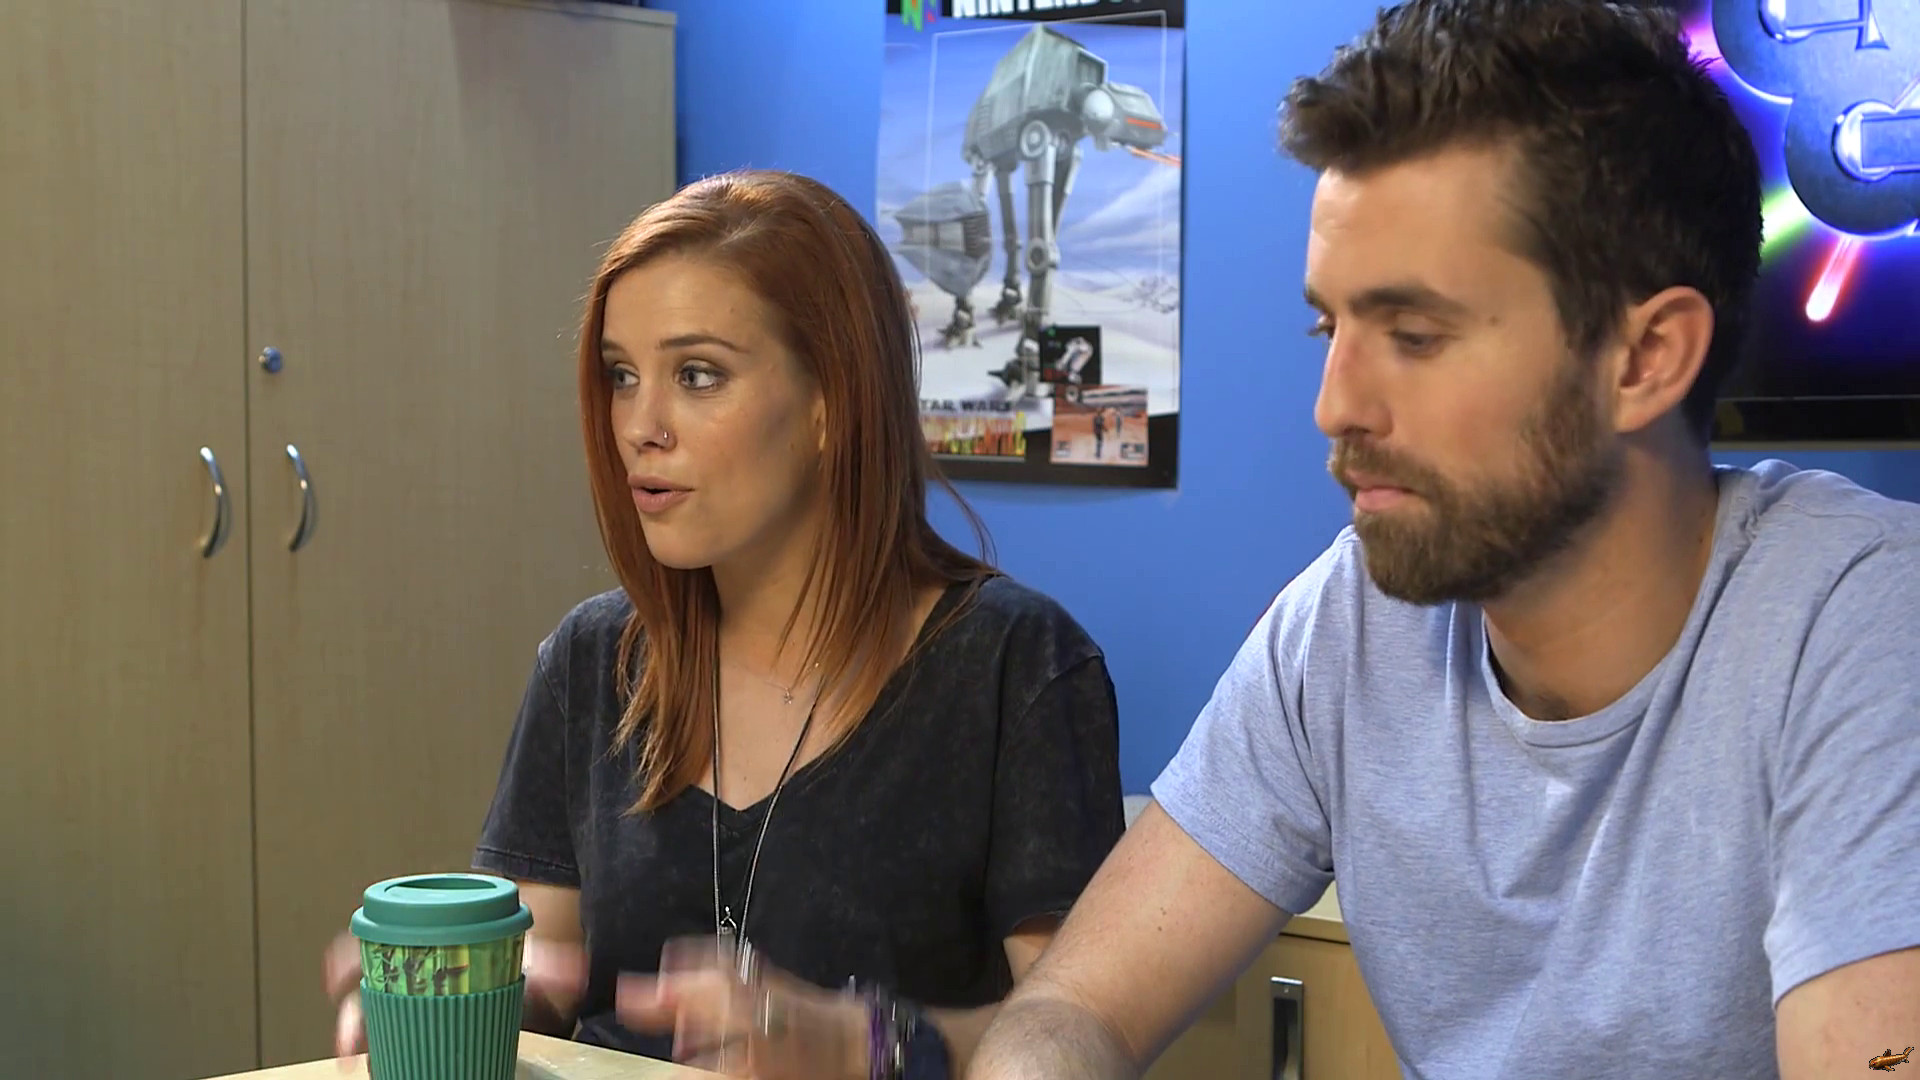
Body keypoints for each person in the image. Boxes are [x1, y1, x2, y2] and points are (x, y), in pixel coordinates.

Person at [966, 2, 1920, 1078]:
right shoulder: (1347, 625)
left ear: (1646, 357)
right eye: (1329, 328)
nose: (1335, 407)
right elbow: (1076, 1006)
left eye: (1415, 336)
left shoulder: (1868, 626)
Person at [323, 169, 1126, 1077]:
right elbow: (545, 977)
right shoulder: (590, 660)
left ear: (832, 404)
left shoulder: (1017, 667)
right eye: (622, 376)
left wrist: (863, 1043)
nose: (640, 426)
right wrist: (449, 994)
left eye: (697, 375)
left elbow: (1080, 1031)